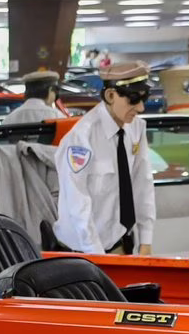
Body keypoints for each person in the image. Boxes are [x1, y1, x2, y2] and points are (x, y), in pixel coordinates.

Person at [53, 61, 155, 254]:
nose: (141, 108)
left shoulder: (136, 128)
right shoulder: (81, 139)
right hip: (82, 252)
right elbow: (78, 206)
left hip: (119, 245)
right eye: (133, 100)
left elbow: (143, 184)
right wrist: (98, 259)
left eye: (144, 99)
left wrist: (146, 240)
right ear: (110, 95)